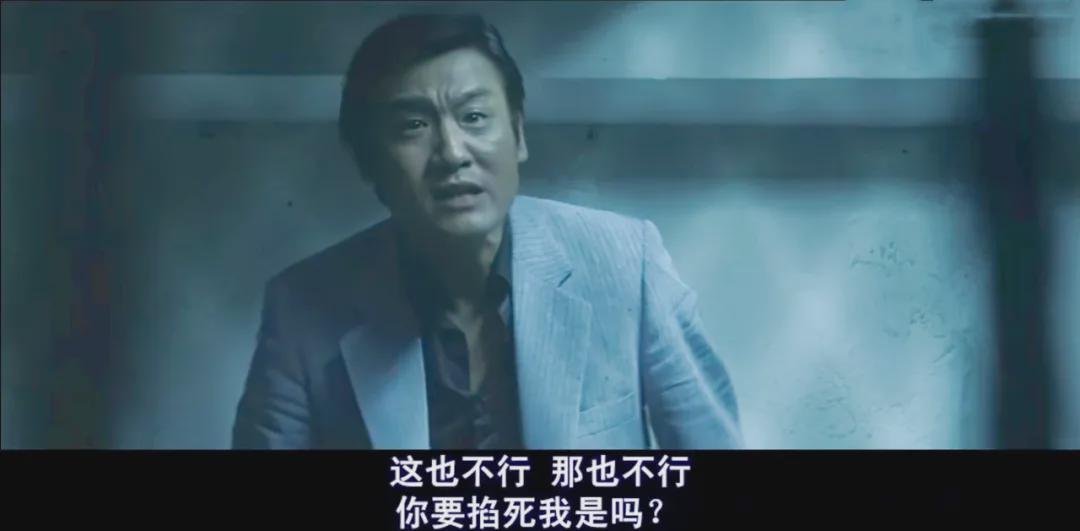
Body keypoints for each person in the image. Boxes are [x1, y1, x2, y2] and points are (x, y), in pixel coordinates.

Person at [232, 13, 742, 449]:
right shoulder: (302, 307)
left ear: (518, 134)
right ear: (368, 161)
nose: (453, 153)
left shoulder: (625, 263)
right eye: (413, 126)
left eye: (474, 116)